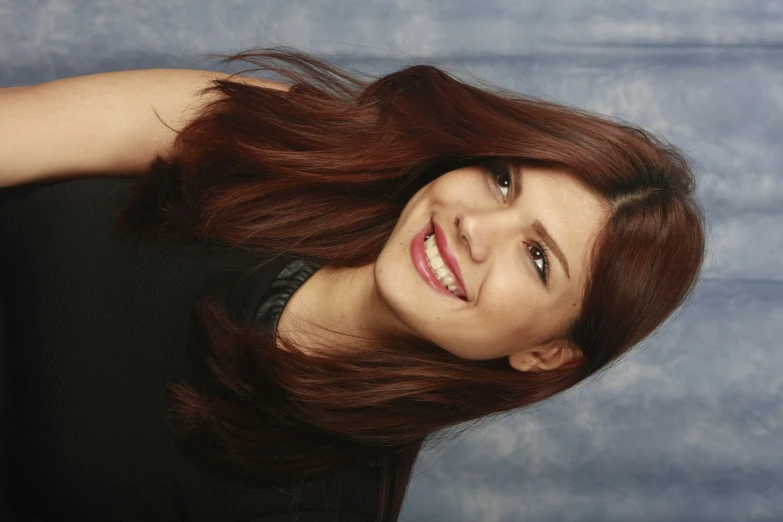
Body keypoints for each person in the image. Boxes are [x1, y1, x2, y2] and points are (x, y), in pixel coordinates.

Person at [0, 47, 706, 521]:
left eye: (537, 258)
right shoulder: (285, 138)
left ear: (547, 354)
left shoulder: (319, 502)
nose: (475, 226)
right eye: (502, 180)